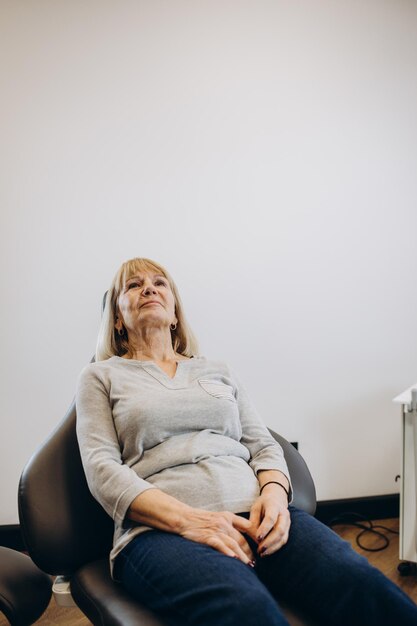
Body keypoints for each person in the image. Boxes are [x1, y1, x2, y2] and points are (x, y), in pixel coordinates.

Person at [76, 256, 417, 626]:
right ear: (116, 319)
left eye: (160, 283)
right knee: (247, 610)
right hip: (161, 531)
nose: (149, 288)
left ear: (175, 314)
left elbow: (263, 444)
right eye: (133, 285)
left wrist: (274, 498)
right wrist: (192, 521)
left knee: (363, 585)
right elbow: (102, 470)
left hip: (257, 513)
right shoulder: (101, 376)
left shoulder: (218, 370)